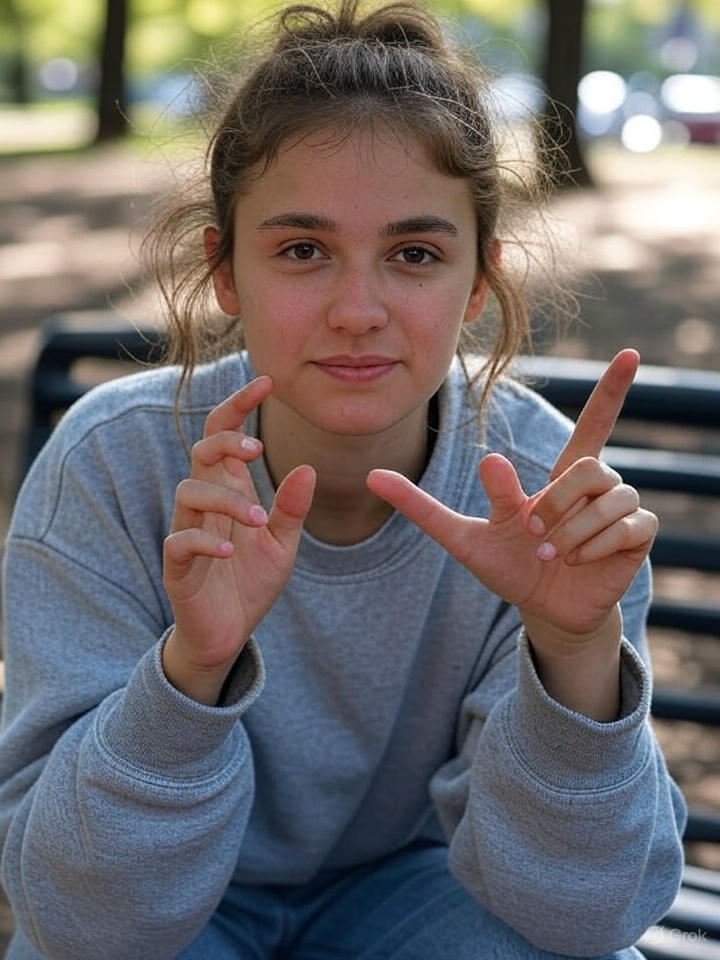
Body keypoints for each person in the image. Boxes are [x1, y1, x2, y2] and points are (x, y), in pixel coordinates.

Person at [0, 1, 686, 958]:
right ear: (226, 271)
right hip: (177, 909)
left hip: (422, 893)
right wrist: (189, 674)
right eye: (303, 251)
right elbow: (81, 923)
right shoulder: (114, 463)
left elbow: (591, 915)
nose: (358, 310)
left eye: (414, 254)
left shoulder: (546, 497)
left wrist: (573, 649)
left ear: (479, 281)